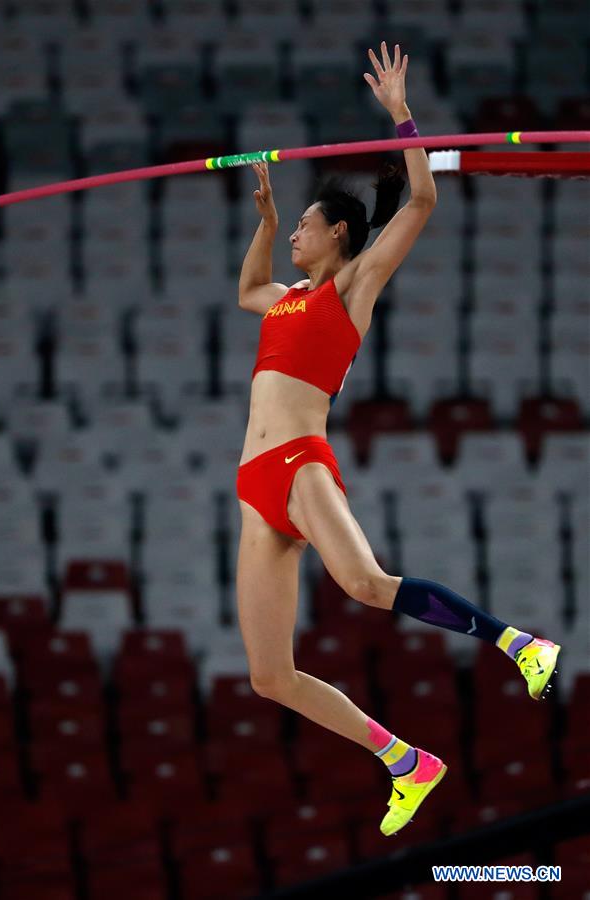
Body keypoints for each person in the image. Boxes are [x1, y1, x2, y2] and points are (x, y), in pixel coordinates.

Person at [234, 41, 561, 836]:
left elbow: (419, 202)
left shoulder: (350, 289)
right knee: (269, 677)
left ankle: (518, 644)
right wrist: (267, 219)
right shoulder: (282, 299)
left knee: (367, 587)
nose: (296, 240)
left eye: (305, 228)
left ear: (339, 235)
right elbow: (247, 287)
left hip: (297, 461)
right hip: (253, 487)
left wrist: (400, 118)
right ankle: (404, 762)